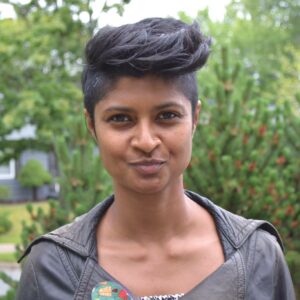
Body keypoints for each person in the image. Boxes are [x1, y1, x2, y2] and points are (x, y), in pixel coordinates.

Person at [16, 17, 295, 300]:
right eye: (121, 119)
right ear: (91, 125)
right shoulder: (52, 269)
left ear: (195, 118)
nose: (146, 141)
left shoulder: (258, 257)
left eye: (167, 116)